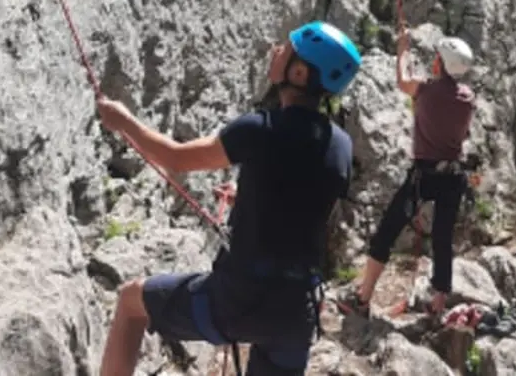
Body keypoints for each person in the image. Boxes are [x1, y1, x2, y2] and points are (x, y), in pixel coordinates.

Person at [95, 21, 362, 376]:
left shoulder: (259, 128)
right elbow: (303, 210)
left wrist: (123, 122)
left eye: (286, 48)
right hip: (296, 313)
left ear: (298, 72)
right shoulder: (341, 145)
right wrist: (250, 196)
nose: (276, 50)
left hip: (237, 300)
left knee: (131, 302)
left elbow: (177, 158)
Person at [343, 30, 475, 317]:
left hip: (424, 176)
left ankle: (363, 298)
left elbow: (403, 80)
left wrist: (402, 48)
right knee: (442, 238)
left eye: (437, 58)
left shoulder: (427, 90)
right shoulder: (467, 98)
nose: (434, 61)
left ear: (441, 63)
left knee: (387, 232)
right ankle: (438, 304)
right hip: (453, 177)